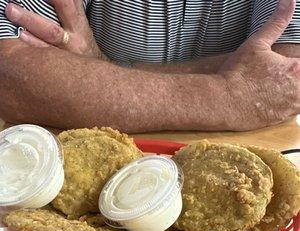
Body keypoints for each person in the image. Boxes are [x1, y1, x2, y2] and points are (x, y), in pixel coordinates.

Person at [0, 0, 299, 132]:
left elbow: (283, 76)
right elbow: (11, 74)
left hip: (243, 175)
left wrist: (98, 68)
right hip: (85, 172)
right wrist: (229, 95)